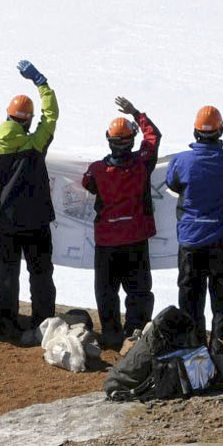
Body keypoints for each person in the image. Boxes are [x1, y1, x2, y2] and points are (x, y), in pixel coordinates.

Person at [164, 77, 223, 341]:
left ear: (195, 132)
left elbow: (172, 183)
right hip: (222, 243)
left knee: (190, 300)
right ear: (220, 132)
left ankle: (192, 351)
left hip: (191, 241)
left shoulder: (182, 161)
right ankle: (222, 351)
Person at [0, 61, 60, 337]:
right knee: (40, 275)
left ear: (8, 116)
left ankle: (6, 321)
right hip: (36, 223)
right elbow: (51, 116)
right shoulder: (34, 144)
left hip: (5, 224)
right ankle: (43, 323)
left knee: (6, 274)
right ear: (27, 120)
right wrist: (40, 82)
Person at [80, 97, 161, 349]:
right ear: (131, 141)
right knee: (139, 290)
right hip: (136, 238)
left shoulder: (96, 170)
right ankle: (136, 332)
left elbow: (88, 185)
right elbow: (154, 137)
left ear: (109, 139)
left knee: (106, 291)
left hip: (107, 240)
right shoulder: (142, 164)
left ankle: (112, 334)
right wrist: (137, 113)